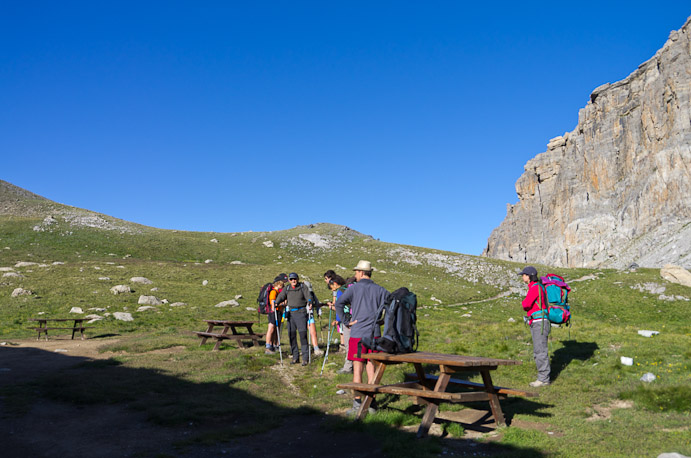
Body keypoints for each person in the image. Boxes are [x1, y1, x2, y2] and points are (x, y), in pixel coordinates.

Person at [335, 260, 390, 415]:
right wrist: (383, 320)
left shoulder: (354, 289)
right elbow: (391, 305)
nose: (355, 275)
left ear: (360, 273)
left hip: (358, 334)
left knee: (357, 369)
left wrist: (346, 321)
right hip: (375, 335)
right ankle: (371, 404)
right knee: (371, 368)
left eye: (356, 272)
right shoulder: (380, 290)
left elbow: (339, 304)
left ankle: (358, 404)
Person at [519, 266, 551, 387]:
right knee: (540, 349)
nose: (522, 277)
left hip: (539, 322)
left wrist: (523, 302)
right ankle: (543, 377)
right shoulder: (538, 287)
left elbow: (526, 305)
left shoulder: (534, 288)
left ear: (529, 276)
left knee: (540, 350)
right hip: (539, 321)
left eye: (523, 275)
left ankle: (543, 379)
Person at [273, 272, 312, 365]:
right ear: (289, 280)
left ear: (297, 279)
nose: (293, 281)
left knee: (303, 335)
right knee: (292, 335)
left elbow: (308, 296)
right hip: (291, 314)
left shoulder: (303, 287)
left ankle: (305, 358)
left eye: (295, 279)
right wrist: (276, 303)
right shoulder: (287, 288)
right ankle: (295, 357)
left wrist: (310, 302)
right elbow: (281, 296)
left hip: (301, 313)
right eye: (291, 279)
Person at [326, 275, 352, 374]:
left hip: (346, 319)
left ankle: (348, 367)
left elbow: (340, 307)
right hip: (354, 316)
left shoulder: (340, 291)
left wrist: (338, 319)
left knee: (348, 344)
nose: (332, 289)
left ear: (335, 284)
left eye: (332, 287)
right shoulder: (348, 288)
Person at [265, 277, 285, 355]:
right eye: (282, 285)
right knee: (271, 328)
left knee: (275, 329)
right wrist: (280, 305)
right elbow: (273, 304)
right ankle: (268, 346)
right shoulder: (273, 292)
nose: (282, 287)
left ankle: (273, 344)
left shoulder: (277, 292)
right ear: (279, 285)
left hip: (277, 312)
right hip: (273, 312)